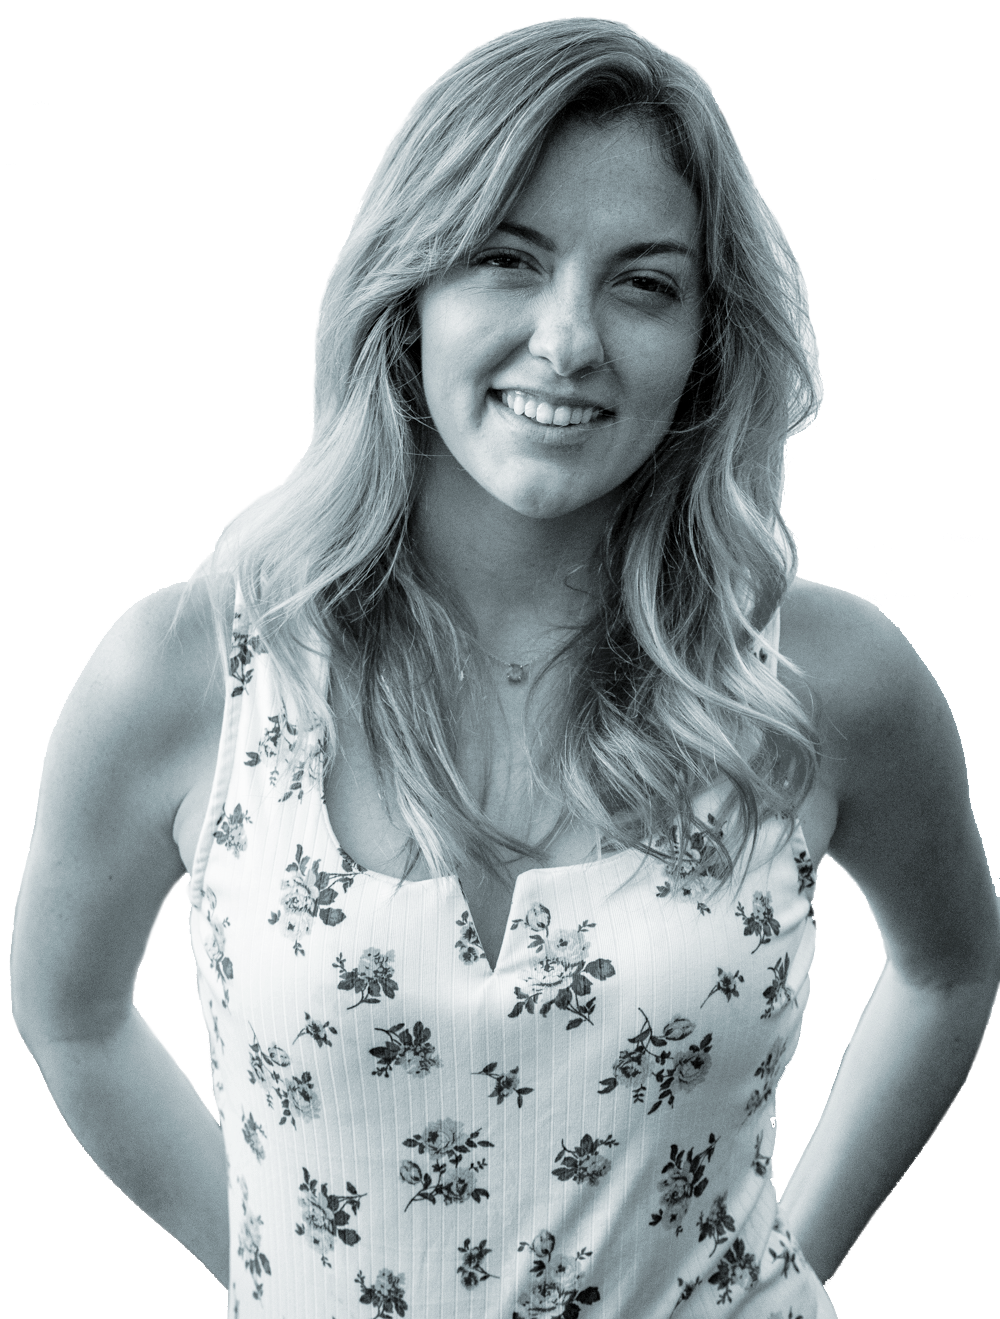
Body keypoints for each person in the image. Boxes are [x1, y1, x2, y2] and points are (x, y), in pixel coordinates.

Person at [11, 17, 999, 1319]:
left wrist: (788, 1263)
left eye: (644, 282)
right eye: (506, 261)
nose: (569, 337)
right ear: (408, 292)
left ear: (708, 339)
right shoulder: (189, 672)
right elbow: (67, 1009)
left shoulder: (823, 679)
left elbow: (952, 970)